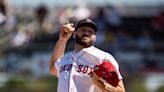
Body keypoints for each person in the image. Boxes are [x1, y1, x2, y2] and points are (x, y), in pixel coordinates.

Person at [50, 19, 125, 92]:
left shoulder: (104, 57)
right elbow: (53, 68)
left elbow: (121, 90)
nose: (86, 33)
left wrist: (102, 86)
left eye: (90, 31)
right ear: (75, 34)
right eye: (83, 30)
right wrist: (62, 40)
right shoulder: (66, 58)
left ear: (95, 37)